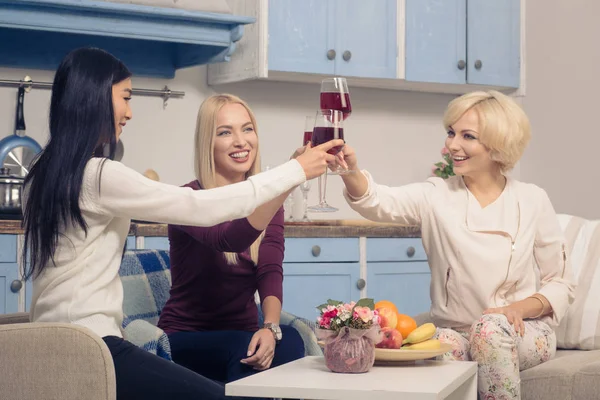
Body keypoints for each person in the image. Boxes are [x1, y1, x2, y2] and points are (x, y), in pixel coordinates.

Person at [21, 47, 342, 400]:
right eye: (125, 98)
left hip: (55, 342)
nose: (129, 112)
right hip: (91, 348)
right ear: (94, 97)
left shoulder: (41, 175)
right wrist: (293, 172)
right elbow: (199, 207)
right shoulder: (98, 175)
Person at [336, 90, 576, 399]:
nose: (452, 145)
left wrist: (515, 309)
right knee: (442, 349)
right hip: (457, 329)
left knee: (488, 331)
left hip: (521, 331)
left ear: (498, 144)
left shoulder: (531, 199)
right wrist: (349, 171)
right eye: (451, 132)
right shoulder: (436, 195)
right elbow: (377, 201)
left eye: (468, 136)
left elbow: (561, 282)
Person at [158, 94, 304, 385]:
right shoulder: (188, 200)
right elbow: (229, 239)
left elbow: (270, 269)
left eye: (247, 129)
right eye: (225, 132)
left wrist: (271, 327)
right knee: (243, 351)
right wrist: (286, 183)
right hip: (187, 337)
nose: (241, 141)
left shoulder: (268, 203)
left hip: (243, 333)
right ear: (207, 144)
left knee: (293, 341)